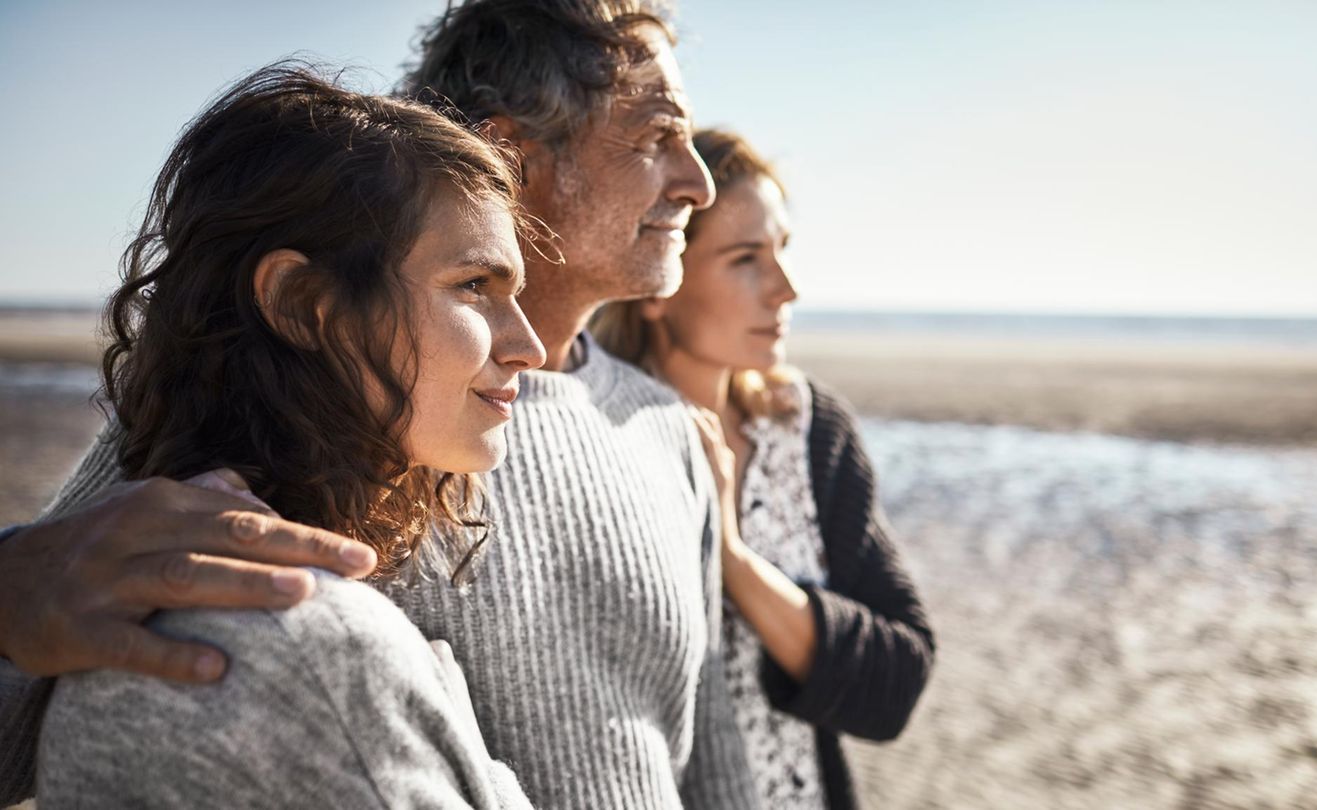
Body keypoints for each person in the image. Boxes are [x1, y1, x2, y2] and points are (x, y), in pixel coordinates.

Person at [4, 1, 760, 808]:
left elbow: (711, 769)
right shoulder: (274, 419)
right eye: (656, 136)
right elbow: (59, 701)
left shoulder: (668, 430)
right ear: (513, 155)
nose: (698, 182)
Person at [26, 63, 546, 806]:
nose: (529, 347)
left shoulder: (141, 609)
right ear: (303, 304)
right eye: (473, 286)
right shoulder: (305, 641)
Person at [591, 129, 935, 809]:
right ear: (658, 280)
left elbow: (897, 681)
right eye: (746, 258)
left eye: (782, 249)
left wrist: (734, 559)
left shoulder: (806, 429)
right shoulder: (591, 442)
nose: (786, 289)